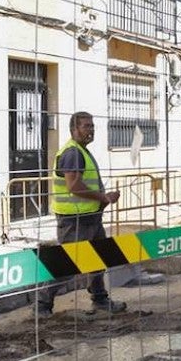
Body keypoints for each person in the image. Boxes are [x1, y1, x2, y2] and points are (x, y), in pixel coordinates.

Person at [36, 112, 127, 316]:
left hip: (89, 217)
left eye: (92, 126)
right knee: (68, 264)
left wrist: (100, 201)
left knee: (98, 259)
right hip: (74, 220)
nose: (91, 130)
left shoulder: (81, 152)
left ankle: (100, 299)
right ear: (73, 129)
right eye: (86, 126)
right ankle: (42, 304)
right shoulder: (73, 153)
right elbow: (74, 186)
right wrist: (103, 198)